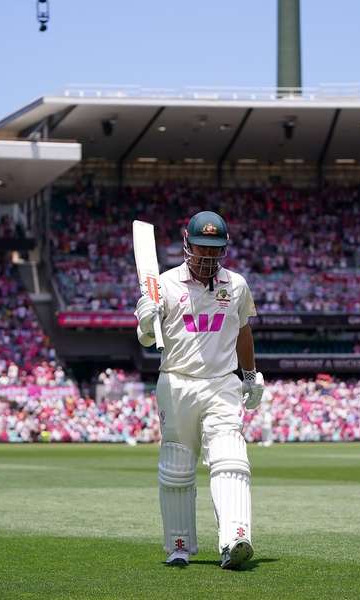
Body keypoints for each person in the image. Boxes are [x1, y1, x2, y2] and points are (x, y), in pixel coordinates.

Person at [134, 210, 264, 570]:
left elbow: (243, 330)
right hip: (177, 381)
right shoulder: (164, 284)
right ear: (187, 244)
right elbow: (148, 338)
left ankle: (236, 537)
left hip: (223, 382)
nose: (208, 257)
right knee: (177, 466)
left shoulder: (235, 284)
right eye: (202, 248)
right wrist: (146, 319)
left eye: (215, 249)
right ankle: (179, 545)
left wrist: (250, 375)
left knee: (231, 458)